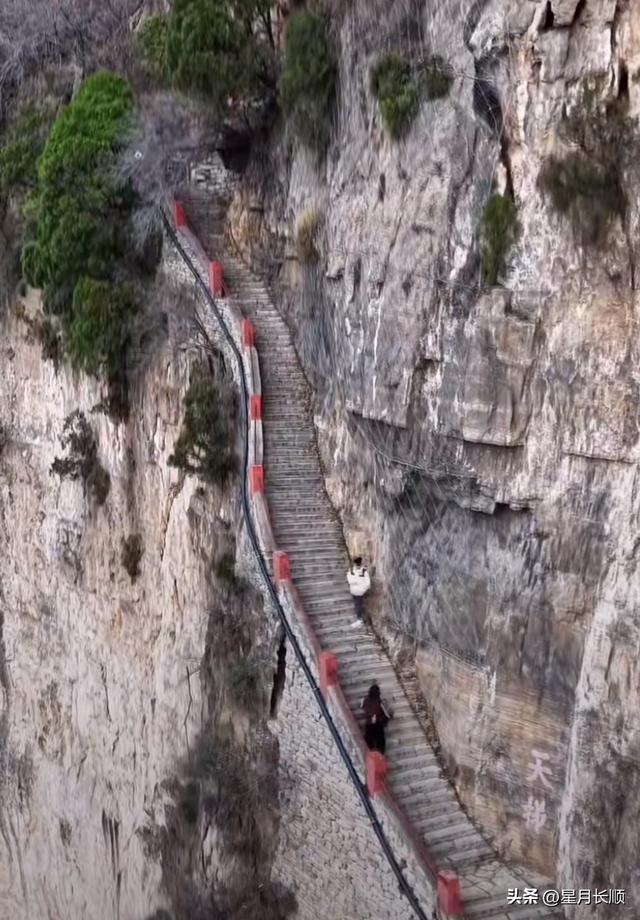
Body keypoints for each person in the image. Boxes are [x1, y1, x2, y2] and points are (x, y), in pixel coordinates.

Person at [361, 684, 393, 754]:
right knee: (380, 740)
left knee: (369, 739)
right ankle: (381, 753)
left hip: (369, 723)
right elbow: (387, 713)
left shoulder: (365, 700)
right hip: (378, 723)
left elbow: (363, 707)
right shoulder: (380, 702)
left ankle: (370, 753)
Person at [347, 556, 371, 628]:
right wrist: (359, 582)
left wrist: (362, 588)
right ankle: (360, 619)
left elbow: (368, 583)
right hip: (354, 590)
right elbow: (350, 581)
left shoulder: (363, 570)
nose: (357, 565)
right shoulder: (351, 570)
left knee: (358, 605)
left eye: (358, 564)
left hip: (359, 591)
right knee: (358, 604)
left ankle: (359, 620)